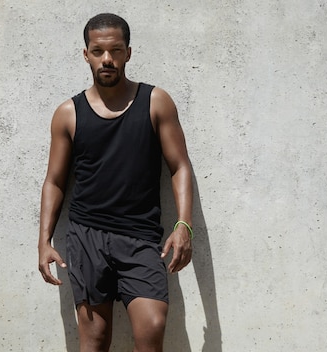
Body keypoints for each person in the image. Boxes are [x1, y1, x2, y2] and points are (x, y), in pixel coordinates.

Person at [37, 13, 193, 352]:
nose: (107, 59)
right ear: (86, 54)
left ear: (128, 53)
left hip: (140, 237)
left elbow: (180, 167)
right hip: (87, 237)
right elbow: (54, 181)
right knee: (94, 341)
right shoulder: (69, 113)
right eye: (98, 51)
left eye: (115, 50)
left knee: (151, 329)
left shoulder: (156, 102)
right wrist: (44, 240)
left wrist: (184, 225)